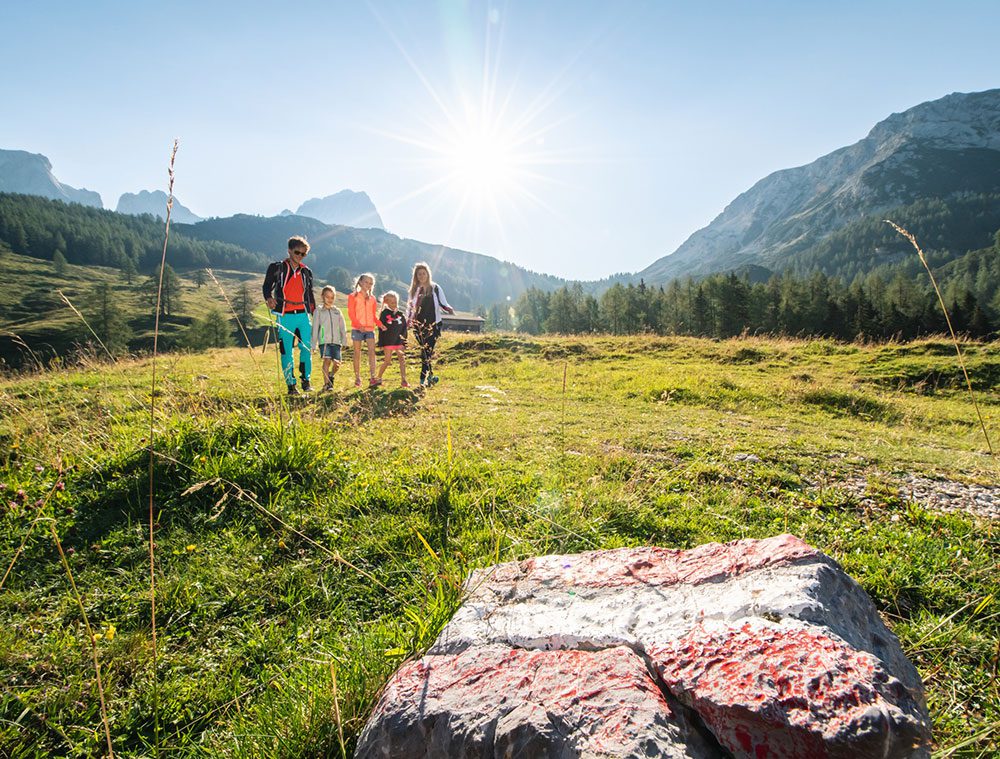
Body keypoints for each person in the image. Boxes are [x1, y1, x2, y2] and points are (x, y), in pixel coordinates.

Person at [263, 236, 315, 395]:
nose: (299, 256)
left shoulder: (306, 271)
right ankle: (291, 386)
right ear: (289, 251)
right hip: (285, 315)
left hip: (303, 315)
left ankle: (306, 381)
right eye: (297, 252)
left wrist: (314, 313)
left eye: (303, 254)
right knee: (286, 351)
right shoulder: (276, 267)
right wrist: (268, 298)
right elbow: (266, 286)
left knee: (306, 347)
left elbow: (310, 295)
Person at [405, 262, 454, 386]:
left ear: (428, 274)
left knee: (427, 351)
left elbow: (443, 303)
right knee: (425, 352)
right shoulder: (414, 290)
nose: (421, 276)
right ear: (416, 276)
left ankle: (423, 379)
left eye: (423, 273)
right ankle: (430, 377)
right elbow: (410, 308)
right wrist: (408, 323)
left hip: (433, 325)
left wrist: (449, 309)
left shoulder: (435, 288)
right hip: (419, 326)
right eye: (419, 274)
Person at [311, 285, 347, 391]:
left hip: (336, 341)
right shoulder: (318, 311)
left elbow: (342, 327)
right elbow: (315, 328)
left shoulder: (337, 311)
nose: (330, 300)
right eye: (327, 297)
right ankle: (327, 384)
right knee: (326, 361)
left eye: (332, 297)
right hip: (324, 341)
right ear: (322, 296)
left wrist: (344, 341)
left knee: (337, 363)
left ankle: (331, 375)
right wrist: (314, 344)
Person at [347, 273, 380, 388]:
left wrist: (380, 325)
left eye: (371, 283)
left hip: (370, 329)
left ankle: (373, 377)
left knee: (372, 351)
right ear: (360, 282)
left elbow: (373, 315)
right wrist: (358, 324)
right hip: (357, 329)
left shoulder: (373, 299)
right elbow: (351, 313)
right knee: (357, 353)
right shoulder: (353, 296)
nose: (368, 285)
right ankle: (357, 378)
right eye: (366, 282)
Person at [376, 291, 409, 388]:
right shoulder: (384, 314)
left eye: (396, 302)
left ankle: (404, 380)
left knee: (402, 359)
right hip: (388, 341)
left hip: (399, 341)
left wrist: (404, 341)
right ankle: (378, 378)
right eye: (392, 303)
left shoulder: (401, 314)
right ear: (387, 303)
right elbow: (380, 329)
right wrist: (381, 343)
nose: (395, 304)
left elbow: (404, 328)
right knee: (387, 361)